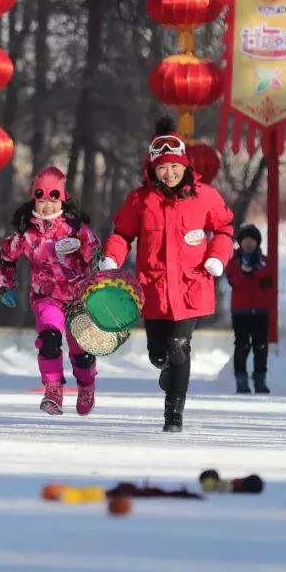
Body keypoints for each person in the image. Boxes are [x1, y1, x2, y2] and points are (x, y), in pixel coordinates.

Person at [101, 133, 234, 432]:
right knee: (158, 354)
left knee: (179, 346)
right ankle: (167, 368)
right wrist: (112, 258)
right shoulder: (140, 199)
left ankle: (174, 413)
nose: (169, 173)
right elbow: (122, 234)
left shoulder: (206, 196)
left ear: (185, 165)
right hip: (154, 289)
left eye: (175, 166)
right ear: (152, 167)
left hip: (191, 287)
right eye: (162, 167)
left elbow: (224, 228)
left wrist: (218, 257)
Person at [0, 166, 101, 415]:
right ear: (34, 199)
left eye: (52, 200)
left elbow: (95, 256)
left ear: (62, 200)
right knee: (49, 340)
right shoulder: (26, 233)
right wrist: (6, 285)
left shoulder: (76, 230)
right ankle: (53, 390)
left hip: (79, 299)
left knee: (81, 350)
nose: (46, 206)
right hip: (46, 297)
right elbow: (7, 257)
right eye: (41, 200)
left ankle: (86, 385)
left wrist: (99, 284)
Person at [225, 223, 273, 394]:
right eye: (245, 239)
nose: (249, 243)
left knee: (261, 346)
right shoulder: (233, 263)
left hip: (260, 311)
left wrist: (256, 270)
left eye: (252, 239)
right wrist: (244, 272)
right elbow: (233, 282)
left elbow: (268, 284)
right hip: (241, 311)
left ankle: (260, 381)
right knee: (242, 345)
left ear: (258, 242)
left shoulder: (266, 262)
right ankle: (241, 381)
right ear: (240, 242)